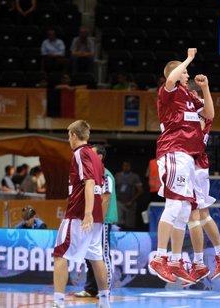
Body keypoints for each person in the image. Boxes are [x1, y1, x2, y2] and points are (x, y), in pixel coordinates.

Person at [148, 48, 214, 285]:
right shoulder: (168, 92)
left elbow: (209, 113)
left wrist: (205, 88)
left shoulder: (188, 95)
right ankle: (159, 257)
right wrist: (188, 58)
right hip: (173, 152)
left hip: (188, 157)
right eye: (185, 72)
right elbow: (171, 78)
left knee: (184, 210)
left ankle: (175, 261)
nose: (187, 75)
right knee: (175, 205)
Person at [51, 120, 109, 308]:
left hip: (79, 213)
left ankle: (58, 303)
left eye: (69, 136)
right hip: (97, 216)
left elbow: (90, 183)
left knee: (60, 254)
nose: (69, 140)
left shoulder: (80, 153)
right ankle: (105, 301)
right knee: (96, 257)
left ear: (74, 135)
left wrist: (87, 213)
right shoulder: (95, 156)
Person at [184, 81, 220, 285]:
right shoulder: (198, 106)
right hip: (197, 163)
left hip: (194, 163)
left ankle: (198, 264)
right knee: (203, 214)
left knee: (193, 216)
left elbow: (200, 126)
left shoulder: (198, 106)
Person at [74, 144, 118, 300]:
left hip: (102, 221)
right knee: (90, 255)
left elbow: (105, 198)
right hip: (91, 220)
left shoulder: (105, 175)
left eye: (91, 155)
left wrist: (99, 219)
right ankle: (91, 288)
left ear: (99, 157)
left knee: (102, 255)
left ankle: (105, 289)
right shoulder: (91, 174)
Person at [114, 160, 143, 230]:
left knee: (129, 224)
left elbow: (140, 190)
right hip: (119, 202)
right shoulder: (117, 175)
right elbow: (112, 188)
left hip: (130, 203)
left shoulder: (135, 176)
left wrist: (132, 201)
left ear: (130, 167)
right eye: (124, 166)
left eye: (128, 166)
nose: (126, 167)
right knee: (118, 222)